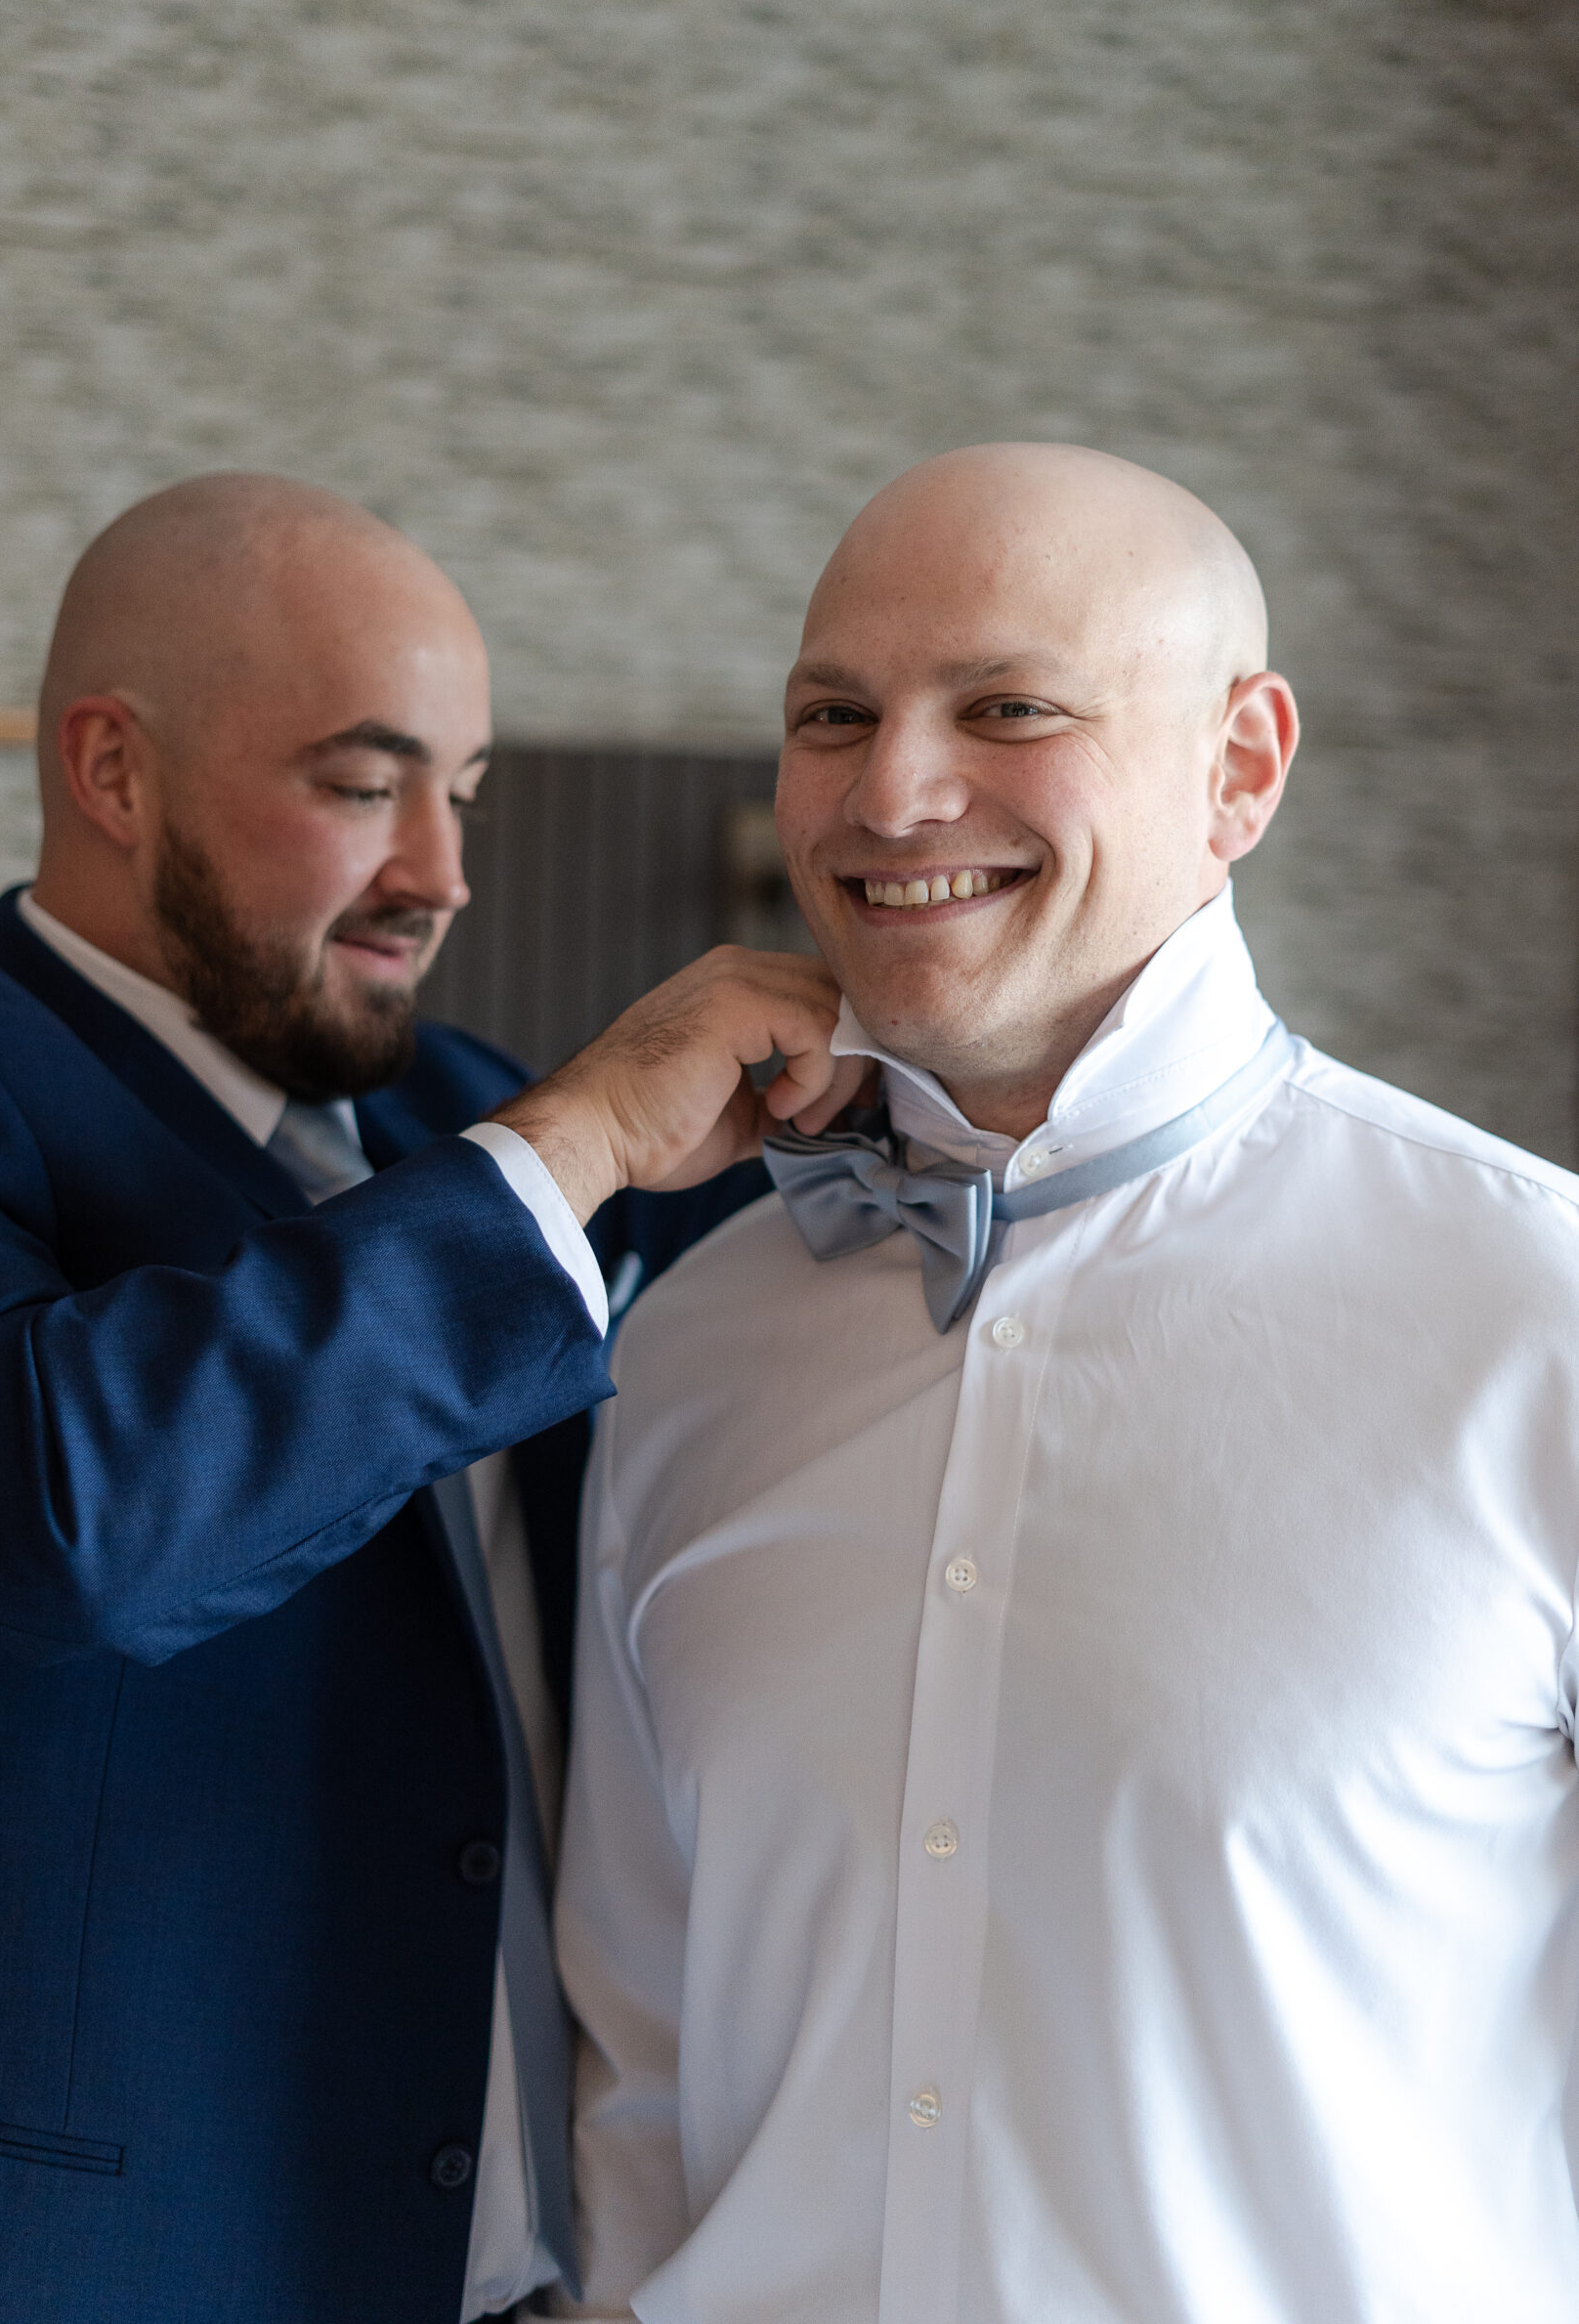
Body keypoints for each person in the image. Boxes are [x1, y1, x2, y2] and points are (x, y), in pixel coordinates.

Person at [556, 443, 1579, 2324]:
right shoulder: (679, 1349)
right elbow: (635, 2066)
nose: (892, 792)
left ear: (1242, 765)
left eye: (1008, 706)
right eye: (832, 714)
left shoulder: (1539, 1315)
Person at [0, 474, 847, 2324]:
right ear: (115, 774)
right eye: (363, 786)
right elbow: (73, 1518)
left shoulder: (460, 1111)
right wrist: (574, 1135)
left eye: (466, 794)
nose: (443, 872)